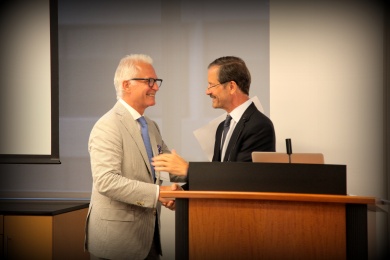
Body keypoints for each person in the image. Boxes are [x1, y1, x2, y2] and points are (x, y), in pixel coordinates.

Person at [85, 54, 186, 260]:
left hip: (146, 240)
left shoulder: (150, 126)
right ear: (126, 85)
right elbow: (106, 181)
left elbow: (171, 167)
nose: (155, 87)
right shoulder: (108, 126)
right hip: (116, 244)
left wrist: (182, 191)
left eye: (156, 82)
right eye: (149, 81)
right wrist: (159, 193)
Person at [152, 56, 275, 174]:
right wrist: (183, 190)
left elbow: (241, 178)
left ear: (231, 87)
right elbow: (217, 174)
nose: (207, 91)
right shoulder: (223, 126)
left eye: (212, 85)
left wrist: (187, 170)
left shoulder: (259, 126)